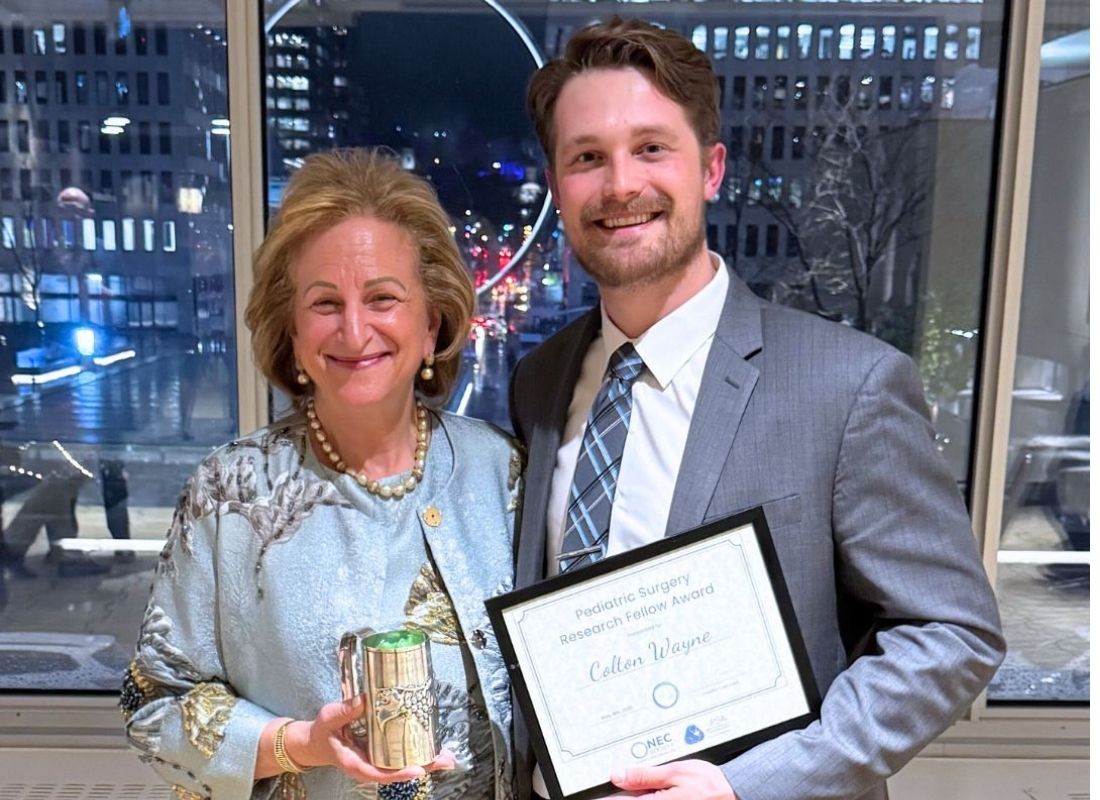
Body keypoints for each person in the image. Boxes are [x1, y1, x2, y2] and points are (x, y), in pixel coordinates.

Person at [509, 17, 1005, 800]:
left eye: (651, 148)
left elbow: (952, 635)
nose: (619, 186)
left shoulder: (850, 386)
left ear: (710, 169)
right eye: (587, 158)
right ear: (557, 185)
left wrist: (749, 788)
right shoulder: (537, 381)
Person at [122, 149, 520, 800]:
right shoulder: (231, 491)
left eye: (384, 298)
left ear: (431, 324)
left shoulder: (505, 474)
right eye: (325, 303)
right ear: (294, 333)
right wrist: (295, 743)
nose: (355, 329)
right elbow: (152, 706)